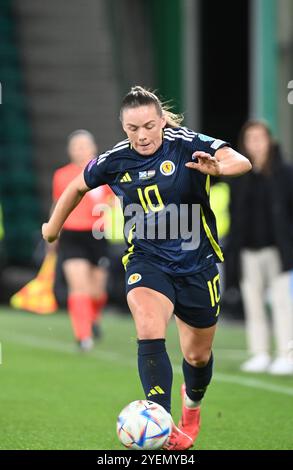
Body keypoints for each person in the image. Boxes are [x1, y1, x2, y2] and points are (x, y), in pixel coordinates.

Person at [42, 86, 251, 450]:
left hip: (196, 265)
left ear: (162, 122)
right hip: (147, 260)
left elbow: (240, 160)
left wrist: (220, 167)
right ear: (123, 127)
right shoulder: (115, 159)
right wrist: (52, 226)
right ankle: (160, 419)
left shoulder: (185, 143)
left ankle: (193, 404)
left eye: (149, 126)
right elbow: (77, 185)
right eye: (132, 128)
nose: (141, 135)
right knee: (148, 325)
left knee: (197, 356)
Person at [229, 120, 293, 375]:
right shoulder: (239, 176)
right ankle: (259, 353)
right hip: (247, 250)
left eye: (260, 138)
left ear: (269, 141)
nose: (255, 143)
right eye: (250, 138)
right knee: (253, 303)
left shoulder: (285, 173)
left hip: (278, 250)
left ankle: (286, 355)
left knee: (282, 304)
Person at [52, 130, 112, 350]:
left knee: (97, 291)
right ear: (69, 151)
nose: (80, 149)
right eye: (76, 146)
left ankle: (93, 319)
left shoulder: (104, 174)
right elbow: (58, 204)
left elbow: (115, 202)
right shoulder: (61, 175)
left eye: (84, 145)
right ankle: (83, 336)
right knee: (79, 287)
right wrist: (53, 231)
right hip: (71, 234)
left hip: (97, 235)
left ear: (93, 148)